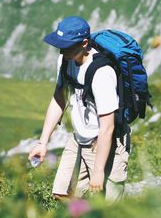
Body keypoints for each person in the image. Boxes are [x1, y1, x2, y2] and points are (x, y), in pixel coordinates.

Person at [29, 16, 129, 202]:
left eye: (67, 46)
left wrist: (98, 172)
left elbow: (107, 128)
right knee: (62, 194)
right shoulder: (65, 60)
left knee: (109, 209)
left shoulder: (101, 73)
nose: (62, 50)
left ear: (84, 43)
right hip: (78, 139)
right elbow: (59, 98)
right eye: (60, 45)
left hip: (105, 142)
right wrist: (43, 142)